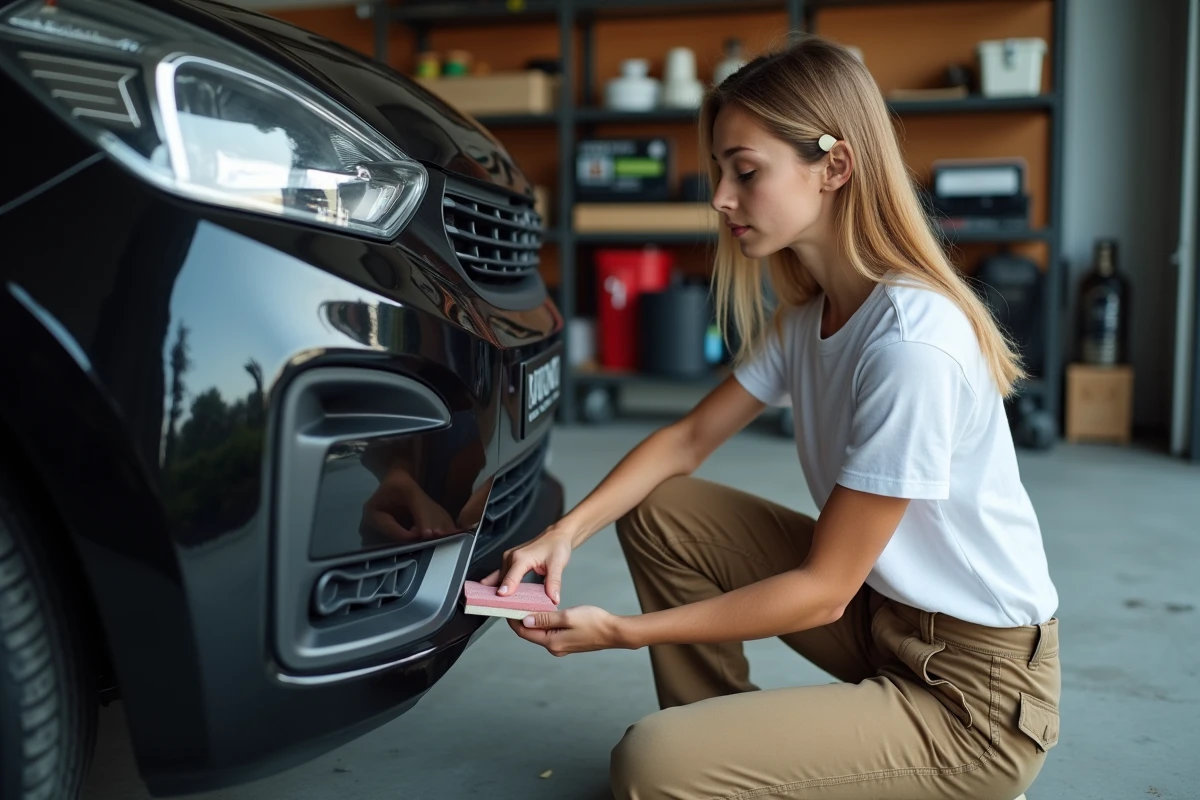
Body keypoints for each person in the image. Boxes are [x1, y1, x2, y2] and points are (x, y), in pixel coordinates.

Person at [482, 33, 1060, 800]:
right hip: (882, 621)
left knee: (647, 766)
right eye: (721, 170)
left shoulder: (913, 346)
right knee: (664, 510)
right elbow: (686, 440)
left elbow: (822, 590)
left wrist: (622, 632)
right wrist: (563, 534)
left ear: (836, 167)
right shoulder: (813, 318)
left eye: (745, 171)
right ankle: (738, 754)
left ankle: (767, 768)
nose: (720, 197)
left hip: (971, 697)